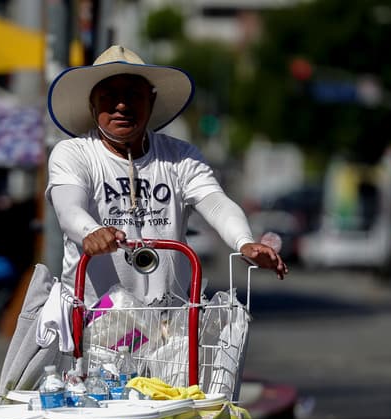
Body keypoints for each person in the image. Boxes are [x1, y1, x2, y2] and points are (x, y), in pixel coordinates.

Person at [46, 45, 286, 305]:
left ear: (151, 101)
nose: (122, 105)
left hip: (168, 321)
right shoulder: (73, 153)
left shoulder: (180, 156)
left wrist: (244, 242)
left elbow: (216, 204)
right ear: (92, 104)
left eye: (133, 95)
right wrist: (91, 231)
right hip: (96, 319)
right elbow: (68, 209)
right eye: (109, 96)